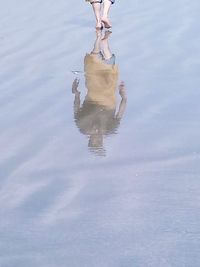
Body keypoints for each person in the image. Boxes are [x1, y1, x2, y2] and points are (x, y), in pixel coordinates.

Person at [71, 30, 127, 156]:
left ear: (90, 140)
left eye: (95, 140)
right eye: (99, 141)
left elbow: (77, 109)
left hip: (101, 92)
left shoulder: (86, 127)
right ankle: (100, 41)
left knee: (104, 63)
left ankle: (102, 42)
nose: (97, 137)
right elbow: (120, 112)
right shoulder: (106, 128)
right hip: (99, 91)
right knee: (95, 60)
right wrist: (123, 97)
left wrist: (76, 93)